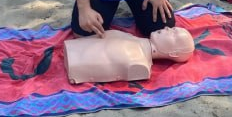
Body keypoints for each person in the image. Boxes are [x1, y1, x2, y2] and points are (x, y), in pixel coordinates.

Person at [64, 27, 195, 83]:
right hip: (71, 49)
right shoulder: (132, 39)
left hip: (74, 65)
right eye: (172, 28)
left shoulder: (139, 64)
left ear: (174, 53)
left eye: (173, 34)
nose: (167, 28)